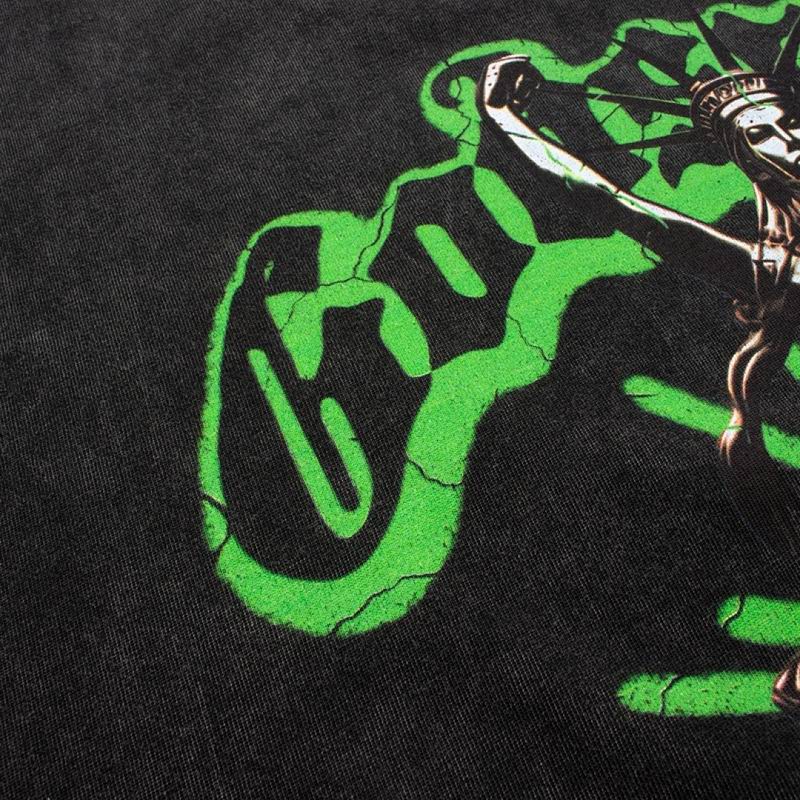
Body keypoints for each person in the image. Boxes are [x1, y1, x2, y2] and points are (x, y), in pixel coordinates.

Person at [478, 10, 800, 712]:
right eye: (763, 135)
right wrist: (505, 119)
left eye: (790, 122)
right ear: (749, 162)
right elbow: (610, 199)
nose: (791, 140)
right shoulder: (775, 269)